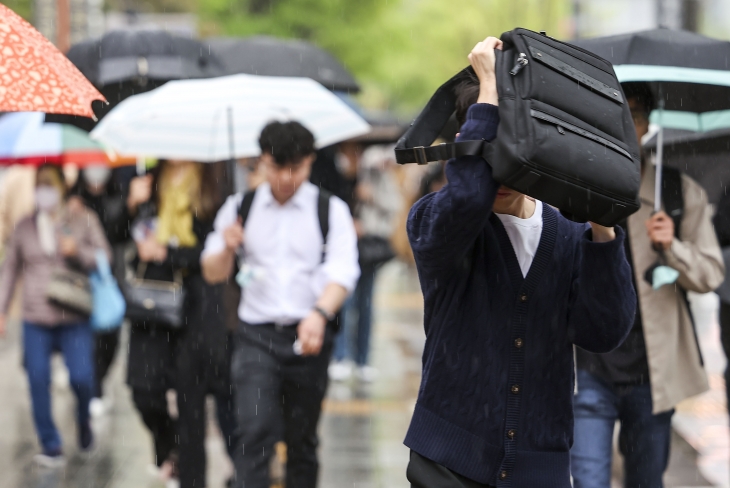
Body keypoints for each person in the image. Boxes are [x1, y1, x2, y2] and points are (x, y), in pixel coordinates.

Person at [404, 37, 636, 487]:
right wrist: (488, 87)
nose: (500, 170)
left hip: (539, 467)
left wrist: (603, 226)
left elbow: (604, 332)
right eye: (487, 151)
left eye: (511, 150)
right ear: (465, 144)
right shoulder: (435, 220)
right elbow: (469, 196)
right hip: (448, 463)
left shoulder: (570, 234)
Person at [571, 84, 725, 487]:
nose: (625, 122)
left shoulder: (675, 192)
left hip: (651, 372)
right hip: (586, 366)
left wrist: (671, 245)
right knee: (587, 479)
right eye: (615, 113)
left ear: (649, 124)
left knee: (646, 480)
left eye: (634, 114)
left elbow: (711, 274)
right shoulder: (576, 188)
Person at [201, 121, 360, 488]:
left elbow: (343, 271)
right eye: (277, 167)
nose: (286, 178)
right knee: (254, 432)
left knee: (302, 440)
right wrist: (227, 245)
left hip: (310, 336)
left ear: (309, 162)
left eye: (296, 168)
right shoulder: (240, 208)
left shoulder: (329, 209)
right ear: (262, 162)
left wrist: (320, 314)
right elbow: (212, 272)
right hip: (255, 336)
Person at [124, 160, 233, 488]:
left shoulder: (215, 183)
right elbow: (119, 234)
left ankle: (191, 476)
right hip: (153, 301)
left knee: (192, 404)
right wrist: (130, 205)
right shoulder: (148, 179)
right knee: (144, 390)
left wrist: (169, 254)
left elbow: (212, 253)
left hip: (195, 306)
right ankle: (169, 447)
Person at [0, 164, 111, 466]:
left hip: (74, 315)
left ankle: (83, 419)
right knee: (37, 379)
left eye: (50, 185)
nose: (44, 192)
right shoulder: (25, 226)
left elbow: (104, 258)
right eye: (40, 185)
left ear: (62, 188)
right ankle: (50, 444)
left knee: (82, 378)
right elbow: (10, 268)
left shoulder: (81, 219)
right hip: (35, 316)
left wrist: (77, 251)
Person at [330, 144, 402, 382]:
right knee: (343, 301)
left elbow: (395, 206)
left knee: (366, 303)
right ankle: (341, 357)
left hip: (367, 249)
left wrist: (371, 197)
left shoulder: (376, 174)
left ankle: (362, 360)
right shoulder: (335, 174)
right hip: (344, 248)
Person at [69, 165, 132, 415]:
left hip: (109, 278)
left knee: (111, 337)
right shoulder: (73, 201)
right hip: (81, 280)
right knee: (88, 339)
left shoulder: (118, 197)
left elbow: (120, 235)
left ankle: (98, 381)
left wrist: (130, 208)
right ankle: (92, 388)